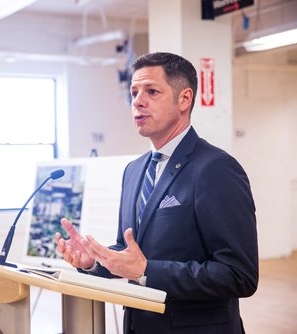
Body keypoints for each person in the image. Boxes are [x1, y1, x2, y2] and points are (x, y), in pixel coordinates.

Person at [55, 52, 258, 333]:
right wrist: (94, 261)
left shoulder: (216, 169)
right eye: (134, 92)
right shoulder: (134, 170)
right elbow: (129, 252)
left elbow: (239, 275)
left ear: (184, 99)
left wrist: (146, 270)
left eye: (151, 91)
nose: (137, 101)